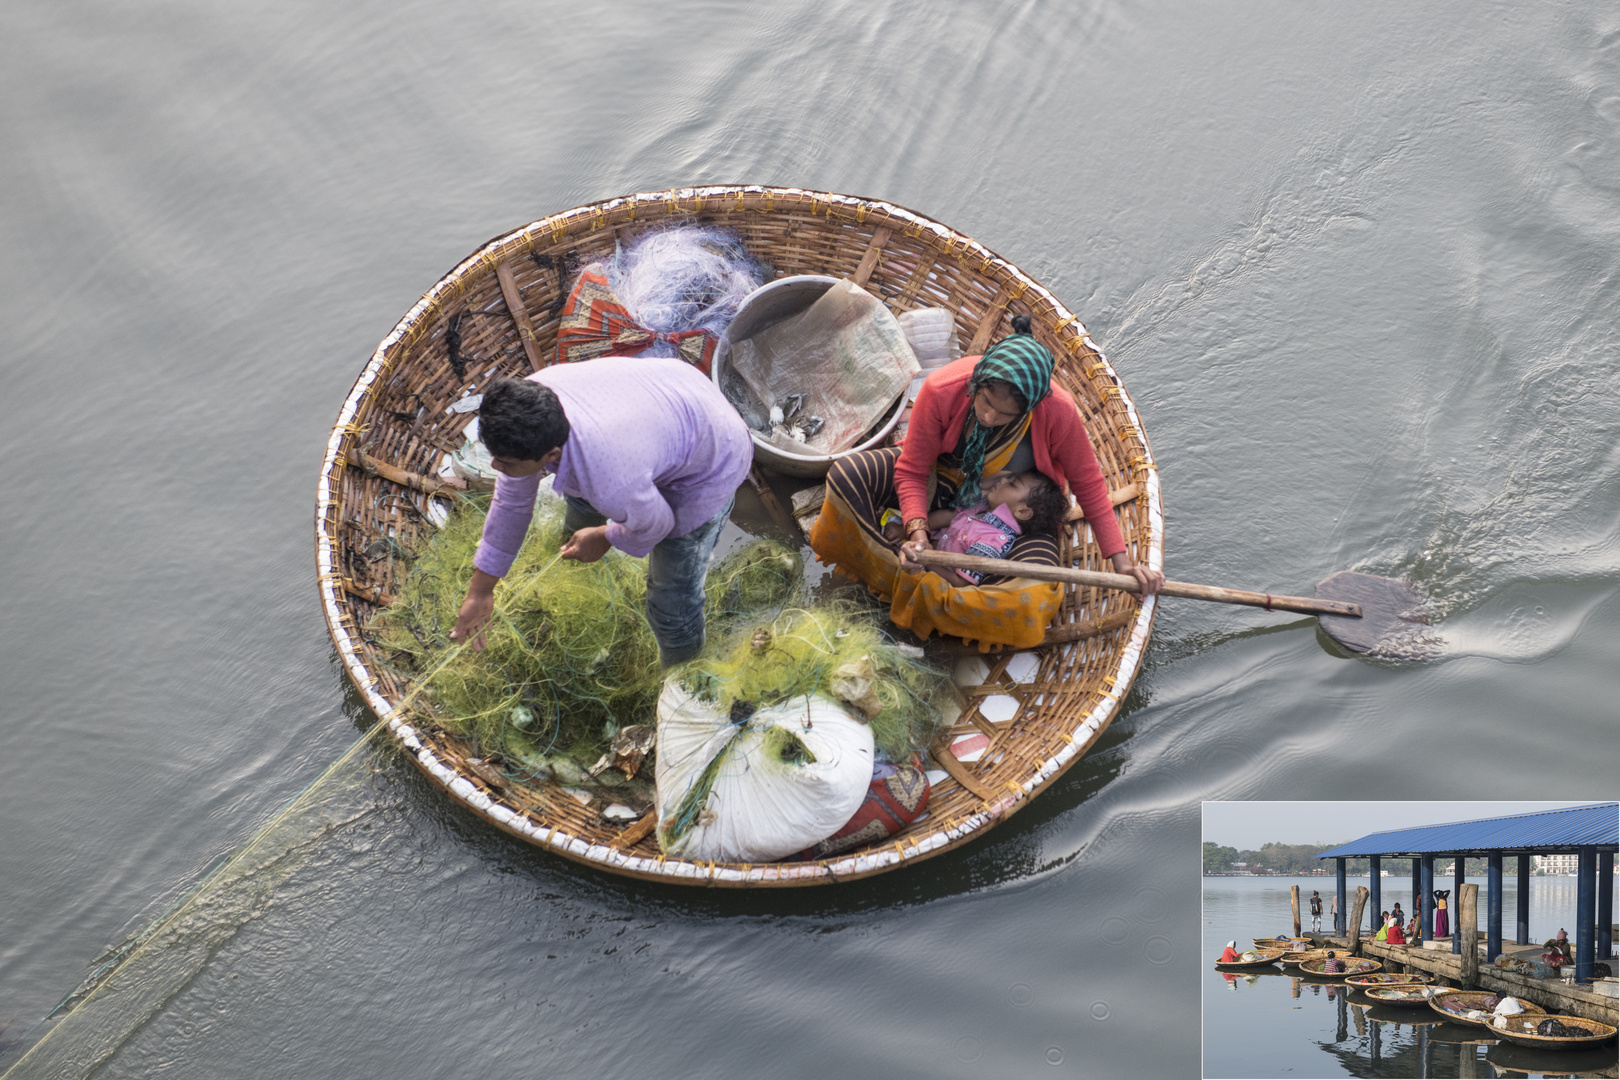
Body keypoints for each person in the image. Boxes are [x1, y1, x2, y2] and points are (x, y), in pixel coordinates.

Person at [809, 319, 1164, 648]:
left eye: (1005, 414)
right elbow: (913, 471)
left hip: (1008, 518)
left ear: (1031, 408)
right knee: (847, 476)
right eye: (985, 401)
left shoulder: (1059, 413)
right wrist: (918, 535)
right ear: (976, 383)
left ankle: (933, 591)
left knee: (1035, 592)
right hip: (939, 486)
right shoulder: (941, 389)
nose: (989, 416)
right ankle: (902, 572)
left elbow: (1089, 487)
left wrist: (1121, 564)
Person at [450, 357, 752, 666]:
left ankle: (683, 676)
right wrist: (480, 593)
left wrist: (607, 535)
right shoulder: (530, 403)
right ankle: (576, 548)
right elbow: (511, 503)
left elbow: (657, 526)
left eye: (506, 463)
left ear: (552, 454)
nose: (495, 467)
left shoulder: (610, 477)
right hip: (672, 398)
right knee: (581, 492)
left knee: (670, 602)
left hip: (713, 457)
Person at [907, 470, 1069, 586]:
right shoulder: (982, 508)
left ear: (1023, 512)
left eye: (1012, 484)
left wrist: (925, 560)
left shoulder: (992, 541)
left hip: (931, 573)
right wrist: (908, 530)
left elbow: (960, 582)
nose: (1003, 481)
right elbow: (950, 517)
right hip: (921, 548)